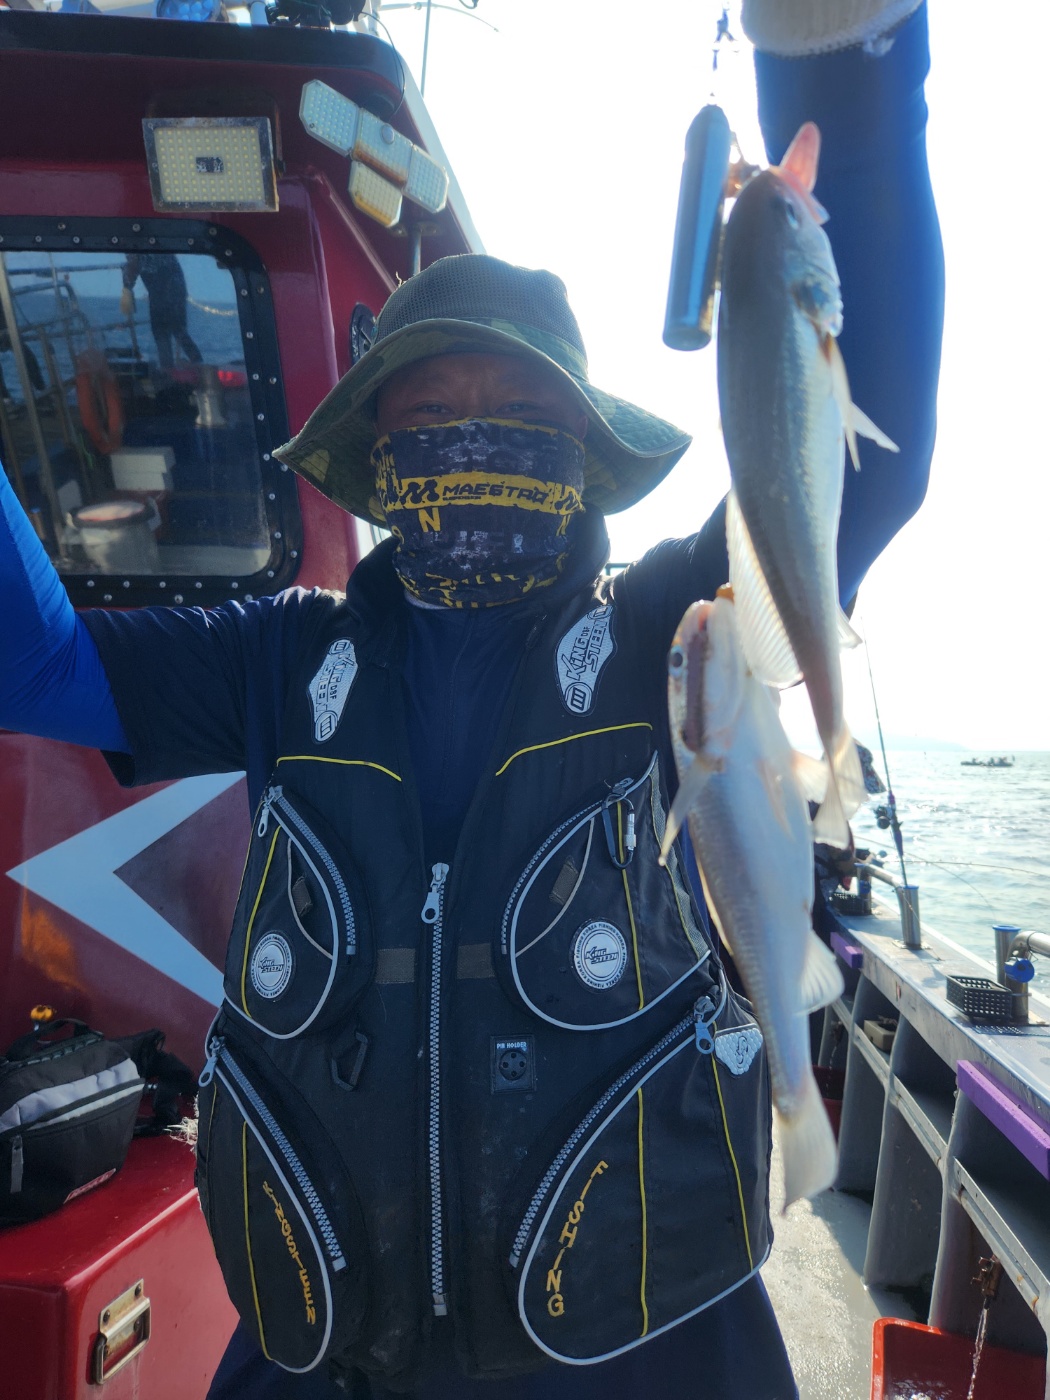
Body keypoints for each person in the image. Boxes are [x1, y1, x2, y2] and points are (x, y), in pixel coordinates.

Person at [0, 2, 943, 1396]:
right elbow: (38, 664)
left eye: (521, 419)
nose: (471, 442)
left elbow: (868, 456)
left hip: (645, 1355)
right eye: (431, 421)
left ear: (581, 458)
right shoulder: (279, 658)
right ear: (381, 466)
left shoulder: (666, 628)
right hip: (324, 1359)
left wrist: (842, 55)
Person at [121, 252, 203, 371]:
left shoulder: (137, 250)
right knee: (180, 332)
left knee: (162, 334)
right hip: (177, 290)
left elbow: (132, 269)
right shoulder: (160, 250)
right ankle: (199, 366)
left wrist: (127, 287)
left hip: (161, 294)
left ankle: (168, 372)